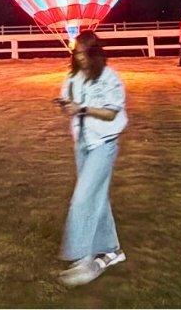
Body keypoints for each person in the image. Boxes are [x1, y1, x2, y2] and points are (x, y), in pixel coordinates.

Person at [56, 31, 128, 288]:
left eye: (84, 53)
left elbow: (110, 113)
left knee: (82, 199)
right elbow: (68, 101)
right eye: (76, 53)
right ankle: (112, 250)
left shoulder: (110, 78)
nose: (80, 58)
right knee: (96, 196)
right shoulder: (73, 78)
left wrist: (82, 108)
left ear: (95, 53)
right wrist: (66, 106)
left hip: (104, 145)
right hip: (82, 144)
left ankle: (84, 258)